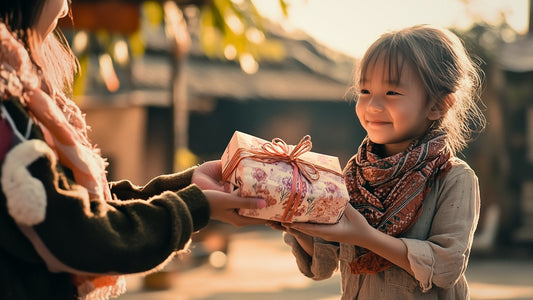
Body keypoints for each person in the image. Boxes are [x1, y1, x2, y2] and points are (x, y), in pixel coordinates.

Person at [0, 0, 266, 299]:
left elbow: (72, 205)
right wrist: (195, 207)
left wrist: (187, 186)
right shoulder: (7, 112)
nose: (64, 10)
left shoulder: (19, 94)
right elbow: (84, 236)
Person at [270, 24, 485, 299]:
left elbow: (445, 267)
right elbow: (324, 262)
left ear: (438, 105)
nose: (373, 105)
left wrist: (365, 237)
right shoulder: (356, 173)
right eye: (365, 91)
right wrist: (297, 226)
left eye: (392, 93)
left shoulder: (453, 177)